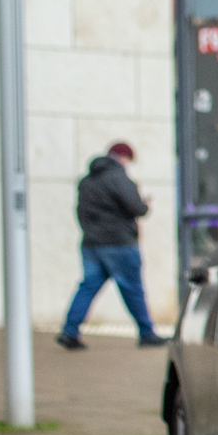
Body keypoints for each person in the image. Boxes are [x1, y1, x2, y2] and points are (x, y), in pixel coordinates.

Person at [58, 142, 164, 349]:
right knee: (133, 288)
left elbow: (81, 212)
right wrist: (145, 204)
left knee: (87, 287)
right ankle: (147, 332)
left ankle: (69, 331)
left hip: (91, 244)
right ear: (123, 157)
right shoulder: (118, 178)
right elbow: (136, 207)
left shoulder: (86, 181)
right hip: (119, 244)